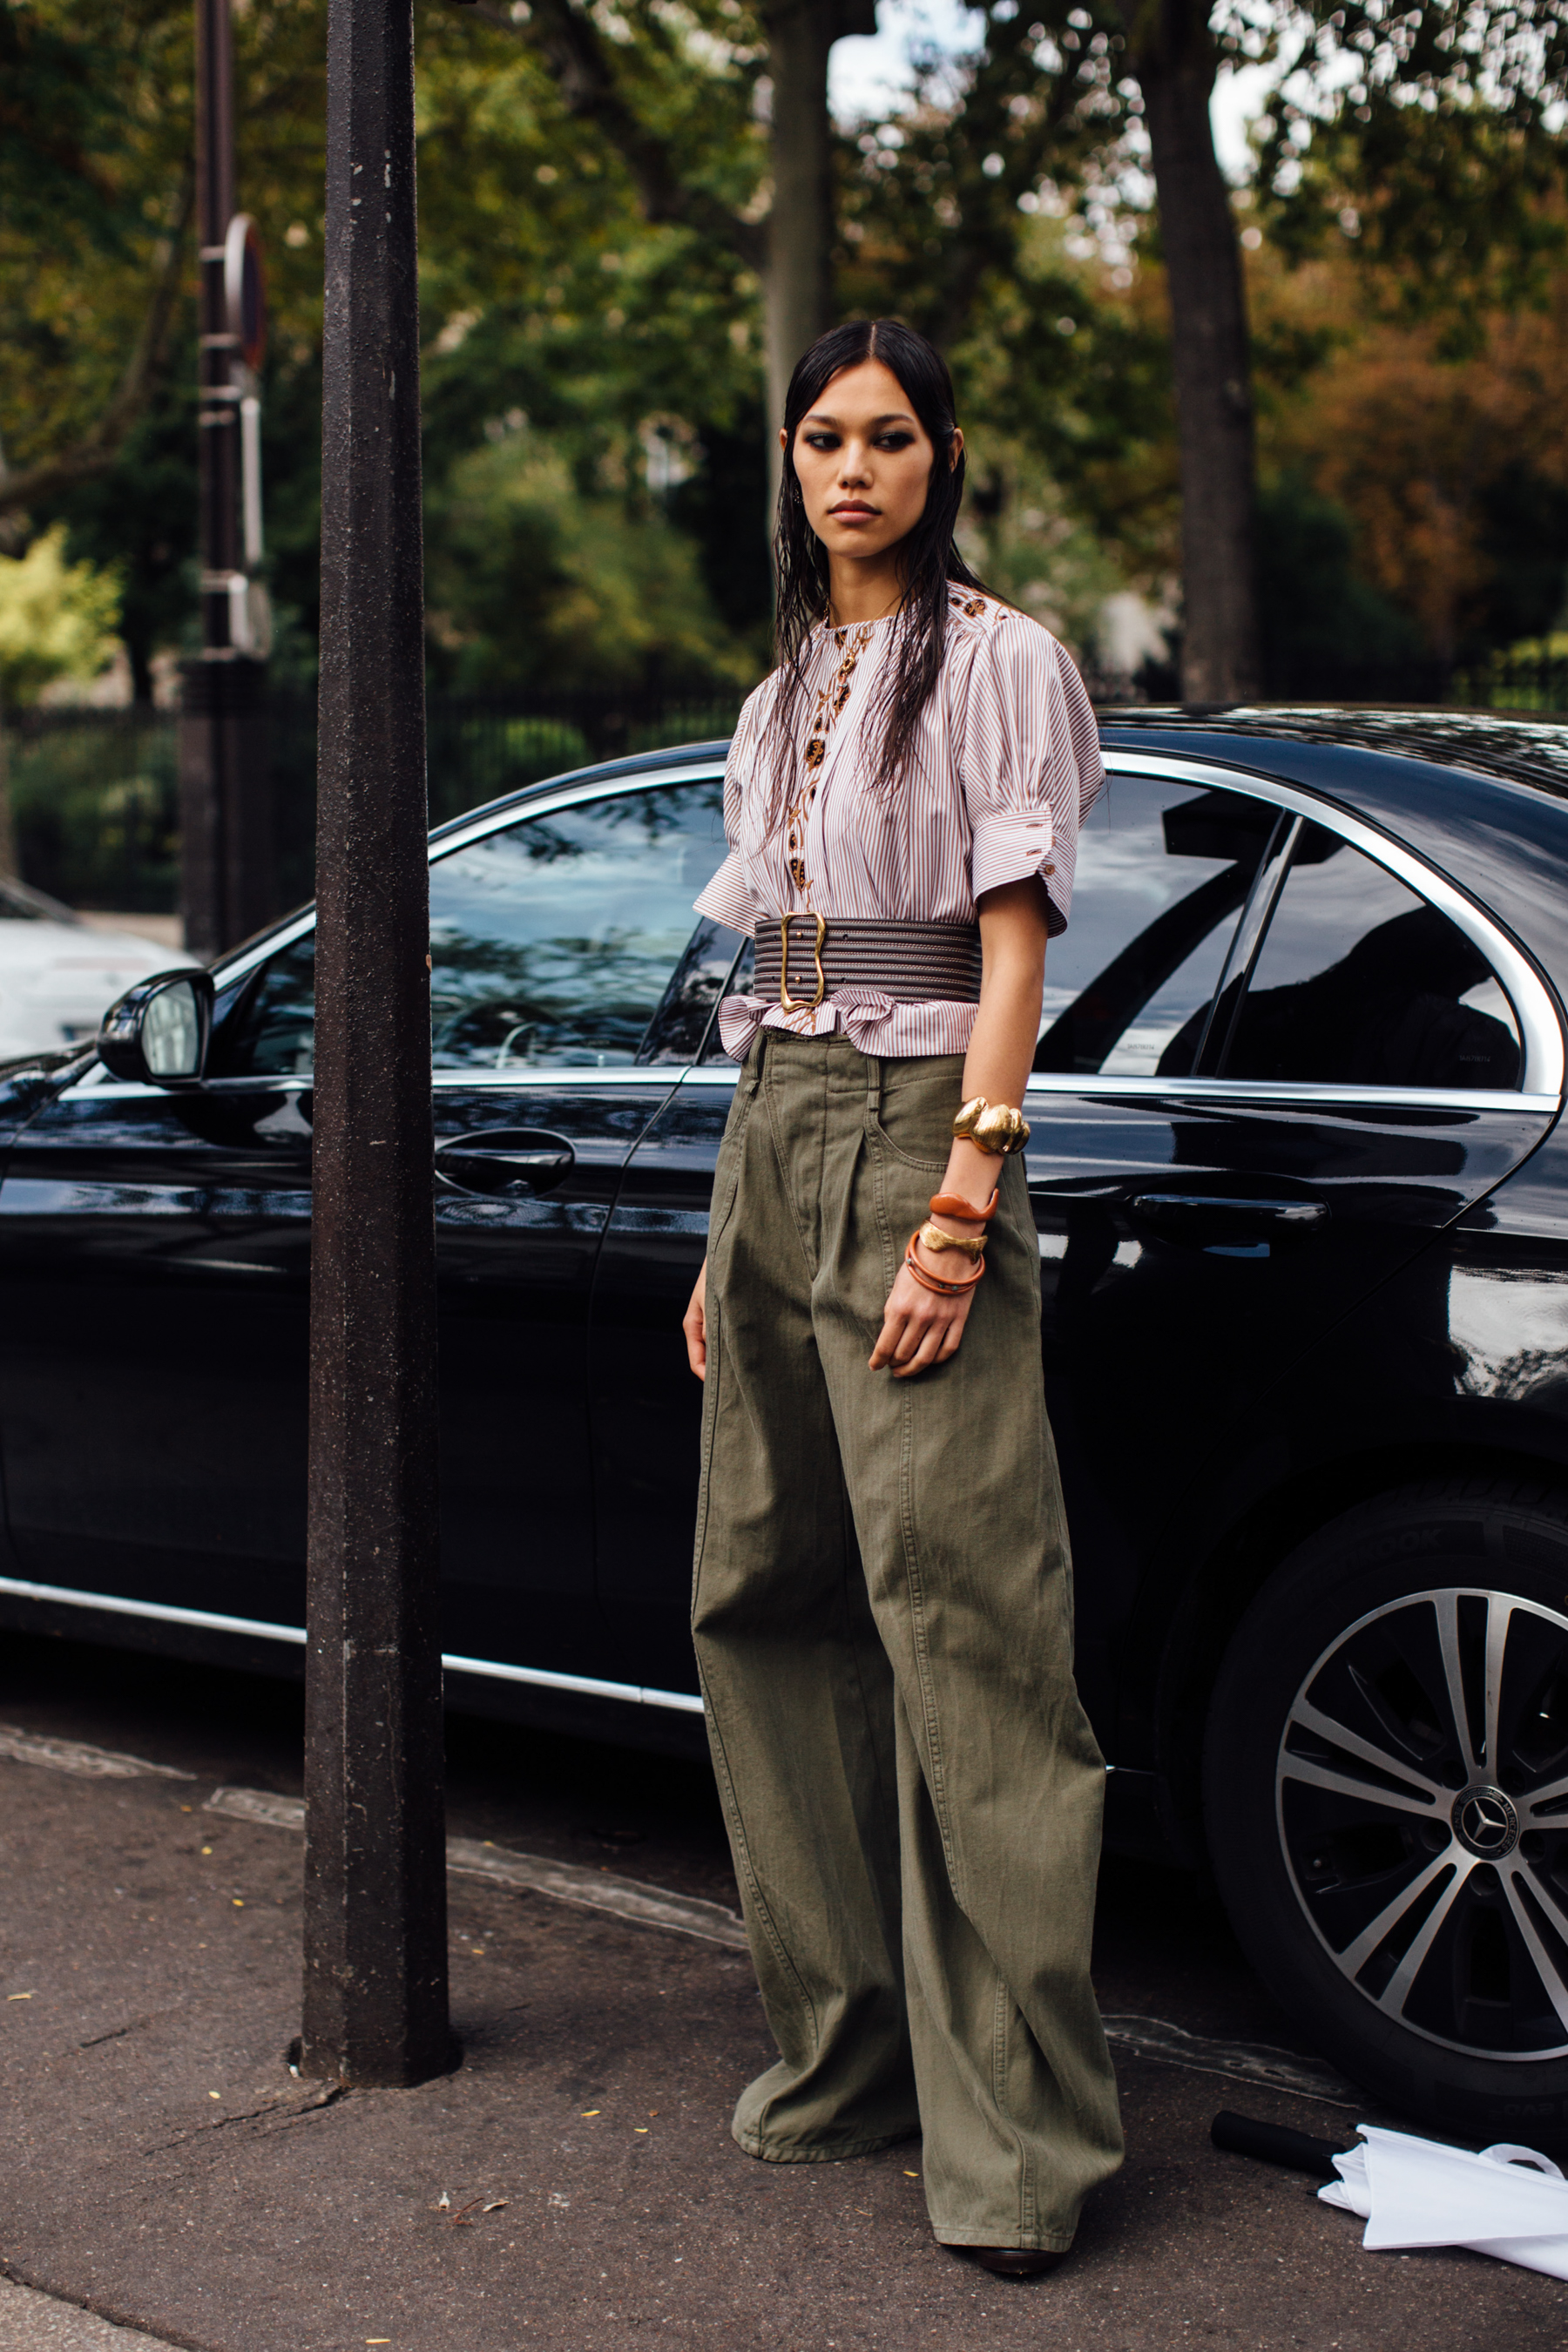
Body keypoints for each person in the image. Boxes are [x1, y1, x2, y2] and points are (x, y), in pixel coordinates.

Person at [680, 317, 1123, 2278]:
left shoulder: (1003, 661)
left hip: (915, 1126)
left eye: (887, 438)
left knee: (964, 1626)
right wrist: (727, 1240)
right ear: (789, 463)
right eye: (819, 440)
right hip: (774, 1130)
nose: (849, 470)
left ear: (942, 455)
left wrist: (965, 1193)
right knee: (762, 1593)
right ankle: (849, 2052)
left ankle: (1018, 2144)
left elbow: (1010, 946)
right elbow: (774, 960)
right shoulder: (784, 691)